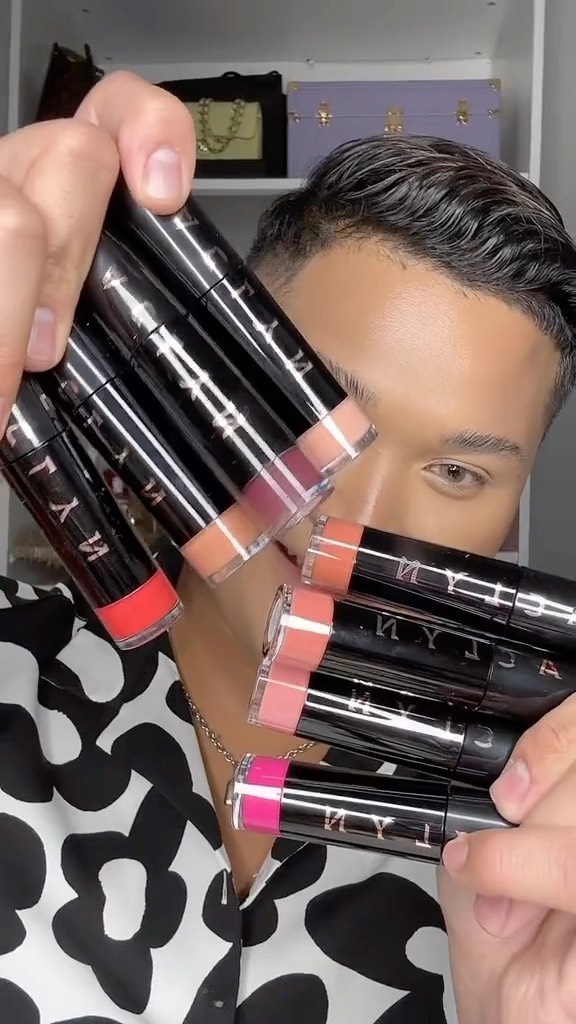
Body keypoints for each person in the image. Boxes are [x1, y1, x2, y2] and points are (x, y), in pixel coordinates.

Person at [1, 71, 576, 1024]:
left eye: (457, 472)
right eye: (317, 411)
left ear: (513, 515)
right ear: (200, 373)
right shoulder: (16, 668)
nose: (356, 521)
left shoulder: (530, 812)